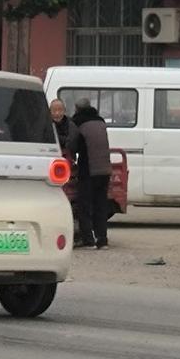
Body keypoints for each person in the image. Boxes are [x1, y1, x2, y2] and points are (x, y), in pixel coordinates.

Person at [71, 97, 112, 250]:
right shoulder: (101, 121)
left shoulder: (78, 122)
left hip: (89, 170)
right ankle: (102, 240)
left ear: (77, 108)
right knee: (100, 205)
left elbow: (73, 145)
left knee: (85, 206)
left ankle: (88, 240)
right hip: (105, 170)